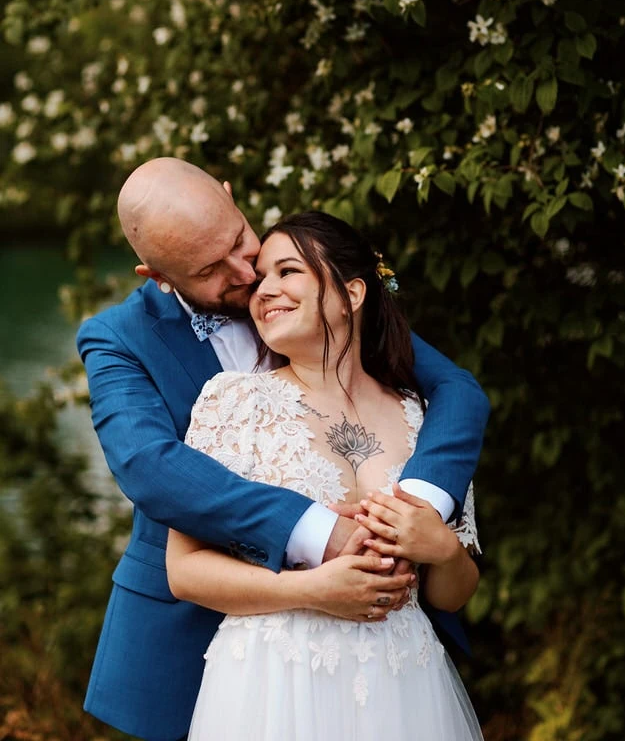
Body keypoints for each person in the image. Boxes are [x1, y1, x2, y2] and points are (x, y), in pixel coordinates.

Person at [77, 158, 489, 741]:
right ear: (156, 275)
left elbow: (457, 391)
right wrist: (323, 535)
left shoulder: (304, 281)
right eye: (210, 269)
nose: (246, 275)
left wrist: (421, 512)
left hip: (393, 664)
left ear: (230, 197)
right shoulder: (120, 340)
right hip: (220, 646)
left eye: (239, 241)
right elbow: (151, 467)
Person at [166, 211, 484, 740]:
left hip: (405, 684)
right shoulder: (233, 403)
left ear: (352, 293)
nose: (263, 290)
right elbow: (186, 570)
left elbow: (452, 594)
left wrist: (445, 551)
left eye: (288, 271)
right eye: (260, 277)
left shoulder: (422, 415)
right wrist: (313, 589)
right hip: (275, 684)